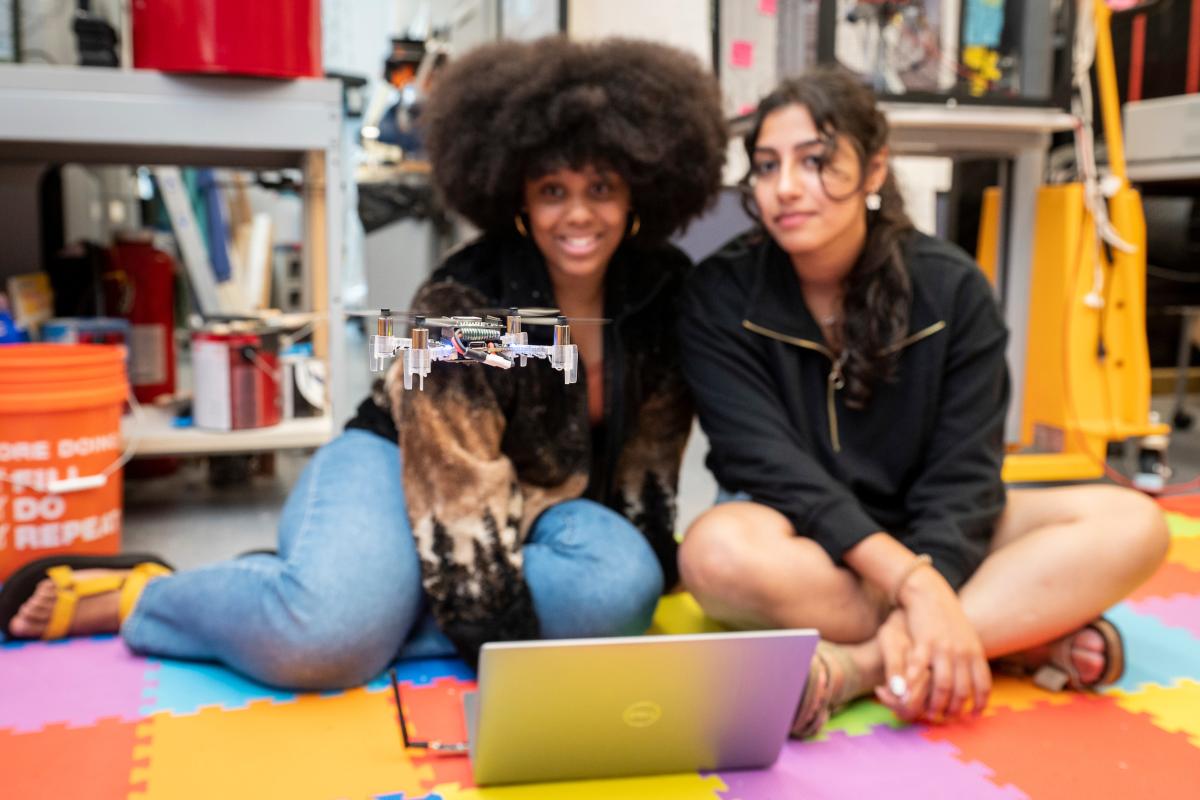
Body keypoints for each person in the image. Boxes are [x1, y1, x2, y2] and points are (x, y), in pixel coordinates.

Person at [0, 36, 728, 688]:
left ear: (638, 189)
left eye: (600, 188)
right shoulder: (465, 306)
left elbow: (648, 467)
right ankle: (151, 597)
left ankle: (337, 593)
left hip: (537, 502)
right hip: (400, 465)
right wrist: (501, 653)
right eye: (552, 192)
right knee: (326, 645)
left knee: (621, 589)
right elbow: (457, 493)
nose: (578, 214)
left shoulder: (659, 295)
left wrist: (641, 571)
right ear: (517, 201)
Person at [675, 66, 1170, 737]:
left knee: (1134, 524)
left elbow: (966, 476)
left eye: (816, 161)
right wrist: (911, 583)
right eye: (766, 166)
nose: (785, 187)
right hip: (811, 540)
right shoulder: (717, 294)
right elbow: (768, 468)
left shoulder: (951, 289)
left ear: (874, 171)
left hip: (937, 533)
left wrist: (927, 574)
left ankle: (867, 664)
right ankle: (1007, 635)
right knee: (714, 553)